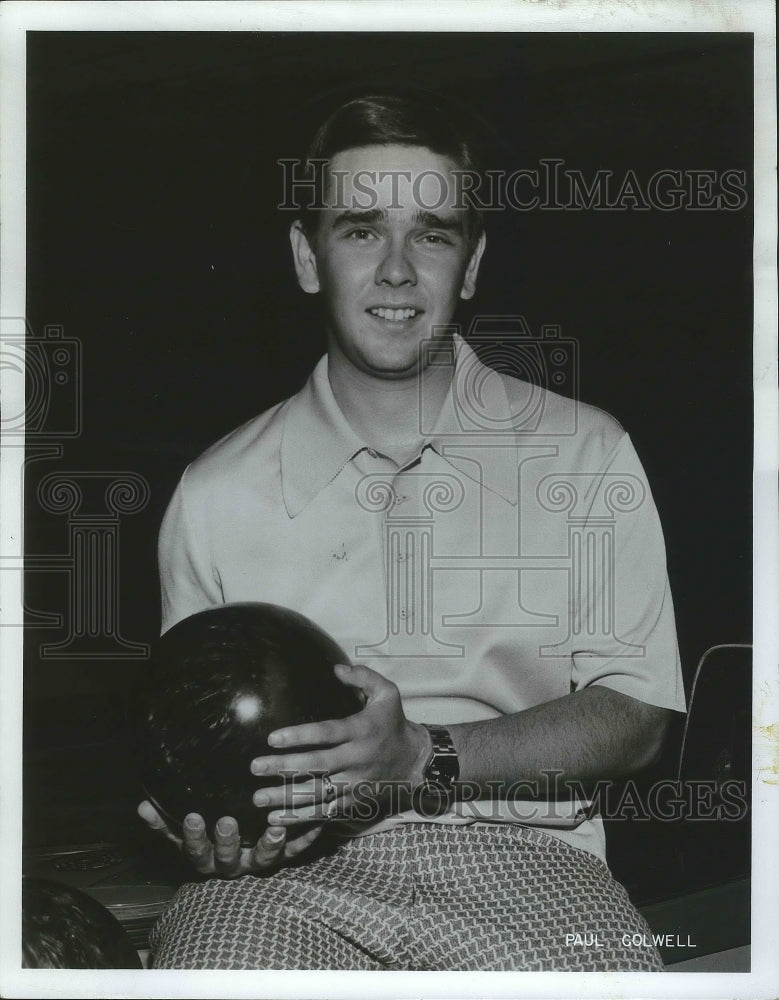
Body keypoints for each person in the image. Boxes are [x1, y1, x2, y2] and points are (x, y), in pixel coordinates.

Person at [139, 93, 686, 971]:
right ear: (305, 257)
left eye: (431, 233)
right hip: (281, 883)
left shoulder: (585, 451)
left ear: (469, 267)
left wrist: (421, 758)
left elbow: (637, 717)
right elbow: (200, 744)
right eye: (360, 229)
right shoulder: (213, 493)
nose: (396, 270)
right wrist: (214, 823)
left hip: (531, 865)